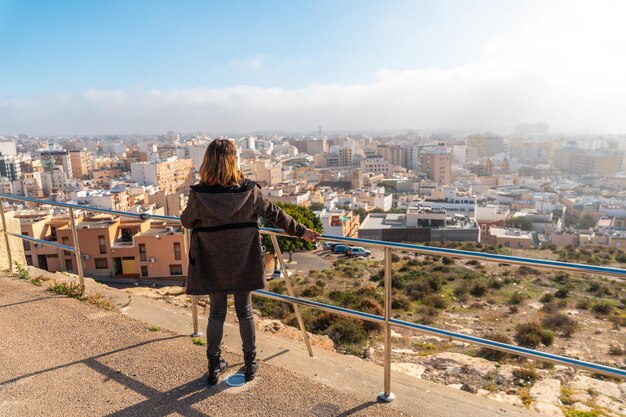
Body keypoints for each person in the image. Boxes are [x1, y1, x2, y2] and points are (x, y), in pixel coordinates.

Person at [180, 139, 320, 385]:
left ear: (208, 162)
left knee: (216, 313)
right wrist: (302, 231)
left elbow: (186, 221)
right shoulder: (249, 191)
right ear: (234, 161)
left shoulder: (199, 195)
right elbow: (276, 214)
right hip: (243, 259)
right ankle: (250, 363)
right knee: (244, 312)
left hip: (212, 261)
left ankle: (214, 366)